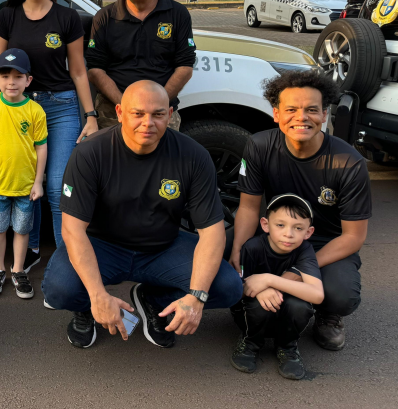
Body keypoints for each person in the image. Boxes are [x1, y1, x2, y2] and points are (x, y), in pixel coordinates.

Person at [42, 80, 242, 349]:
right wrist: (98, 295)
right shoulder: (90, 153)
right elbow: (72, 230)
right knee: (60, 288)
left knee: (227, 287)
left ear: (170, 115)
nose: (148, 123)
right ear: (120, 113)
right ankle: (89, 308)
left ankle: (153, 301)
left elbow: (212, 232)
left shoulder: (193, 156)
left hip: (162, 247)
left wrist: (195, 297)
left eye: (158, 114)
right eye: (138, 113)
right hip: (103, 247)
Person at [231, 71, 371, 351]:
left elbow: (353, 237)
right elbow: (248, 207)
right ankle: (251, 306)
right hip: (275, 234)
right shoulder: (259, 145)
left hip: (324, 242)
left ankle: (327, 315)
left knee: (341, 294)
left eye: (311, 110)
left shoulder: (350, 163)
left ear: (325, 114)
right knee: (220, 256)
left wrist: (299, 269)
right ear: (276, 114)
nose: (301, 117)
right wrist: (238, 250)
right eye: (291, 109)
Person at [0, 0, 97, 258]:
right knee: (29, 186)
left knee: (55, 187)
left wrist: (91, 116)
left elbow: (79, 72)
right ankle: (31, 251)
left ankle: (66, 259)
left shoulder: (68, 18)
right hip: (19, 108)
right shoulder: (7, 15)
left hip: (61, 108)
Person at [86, 0, 195, 131]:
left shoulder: (178, 14)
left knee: (164, 160)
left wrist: (157, 106)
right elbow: (95, 69)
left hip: (162, 113)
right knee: (114, 160)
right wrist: (127, 107)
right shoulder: (104, 17)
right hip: (114, 112)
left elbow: (185, 66)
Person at [0, 48, 48, 298]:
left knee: (22, 230)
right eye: (5, 76)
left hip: (26, 186)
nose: (11, 82)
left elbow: (41, 147)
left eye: (18, 76)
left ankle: (18, 270)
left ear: (28, 80)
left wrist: (38, 182)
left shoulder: (35, 111)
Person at [230, 194, 323, 380]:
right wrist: (262, 289)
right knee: (257, 303)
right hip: (254, 311)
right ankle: (250, 342)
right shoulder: (253, 247)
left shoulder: (305, 249)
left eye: (298, 228)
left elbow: (317, 294)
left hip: (285, 312)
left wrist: (269, 280)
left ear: (308, 233)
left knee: (301, 305)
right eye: (280, 225)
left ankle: (287, 347)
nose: (288, 233)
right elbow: (242, 287)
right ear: (265, 225)